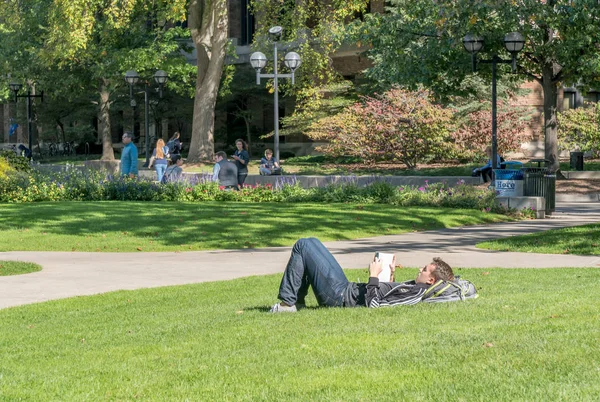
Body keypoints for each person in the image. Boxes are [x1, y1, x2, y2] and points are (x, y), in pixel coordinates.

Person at [270, 238, 477, 313]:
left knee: (304, 245)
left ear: (431, 280)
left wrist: (373, 276)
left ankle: (289, 304)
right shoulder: (415, 287)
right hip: (344, 289)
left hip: (340, 296)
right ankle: (294, 302)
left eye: (424, 270)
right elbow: (389, 294)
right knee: (310, 243)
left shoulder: (416, 294)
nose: (419, 270)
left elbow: (376, 305)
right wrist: (390, 274)